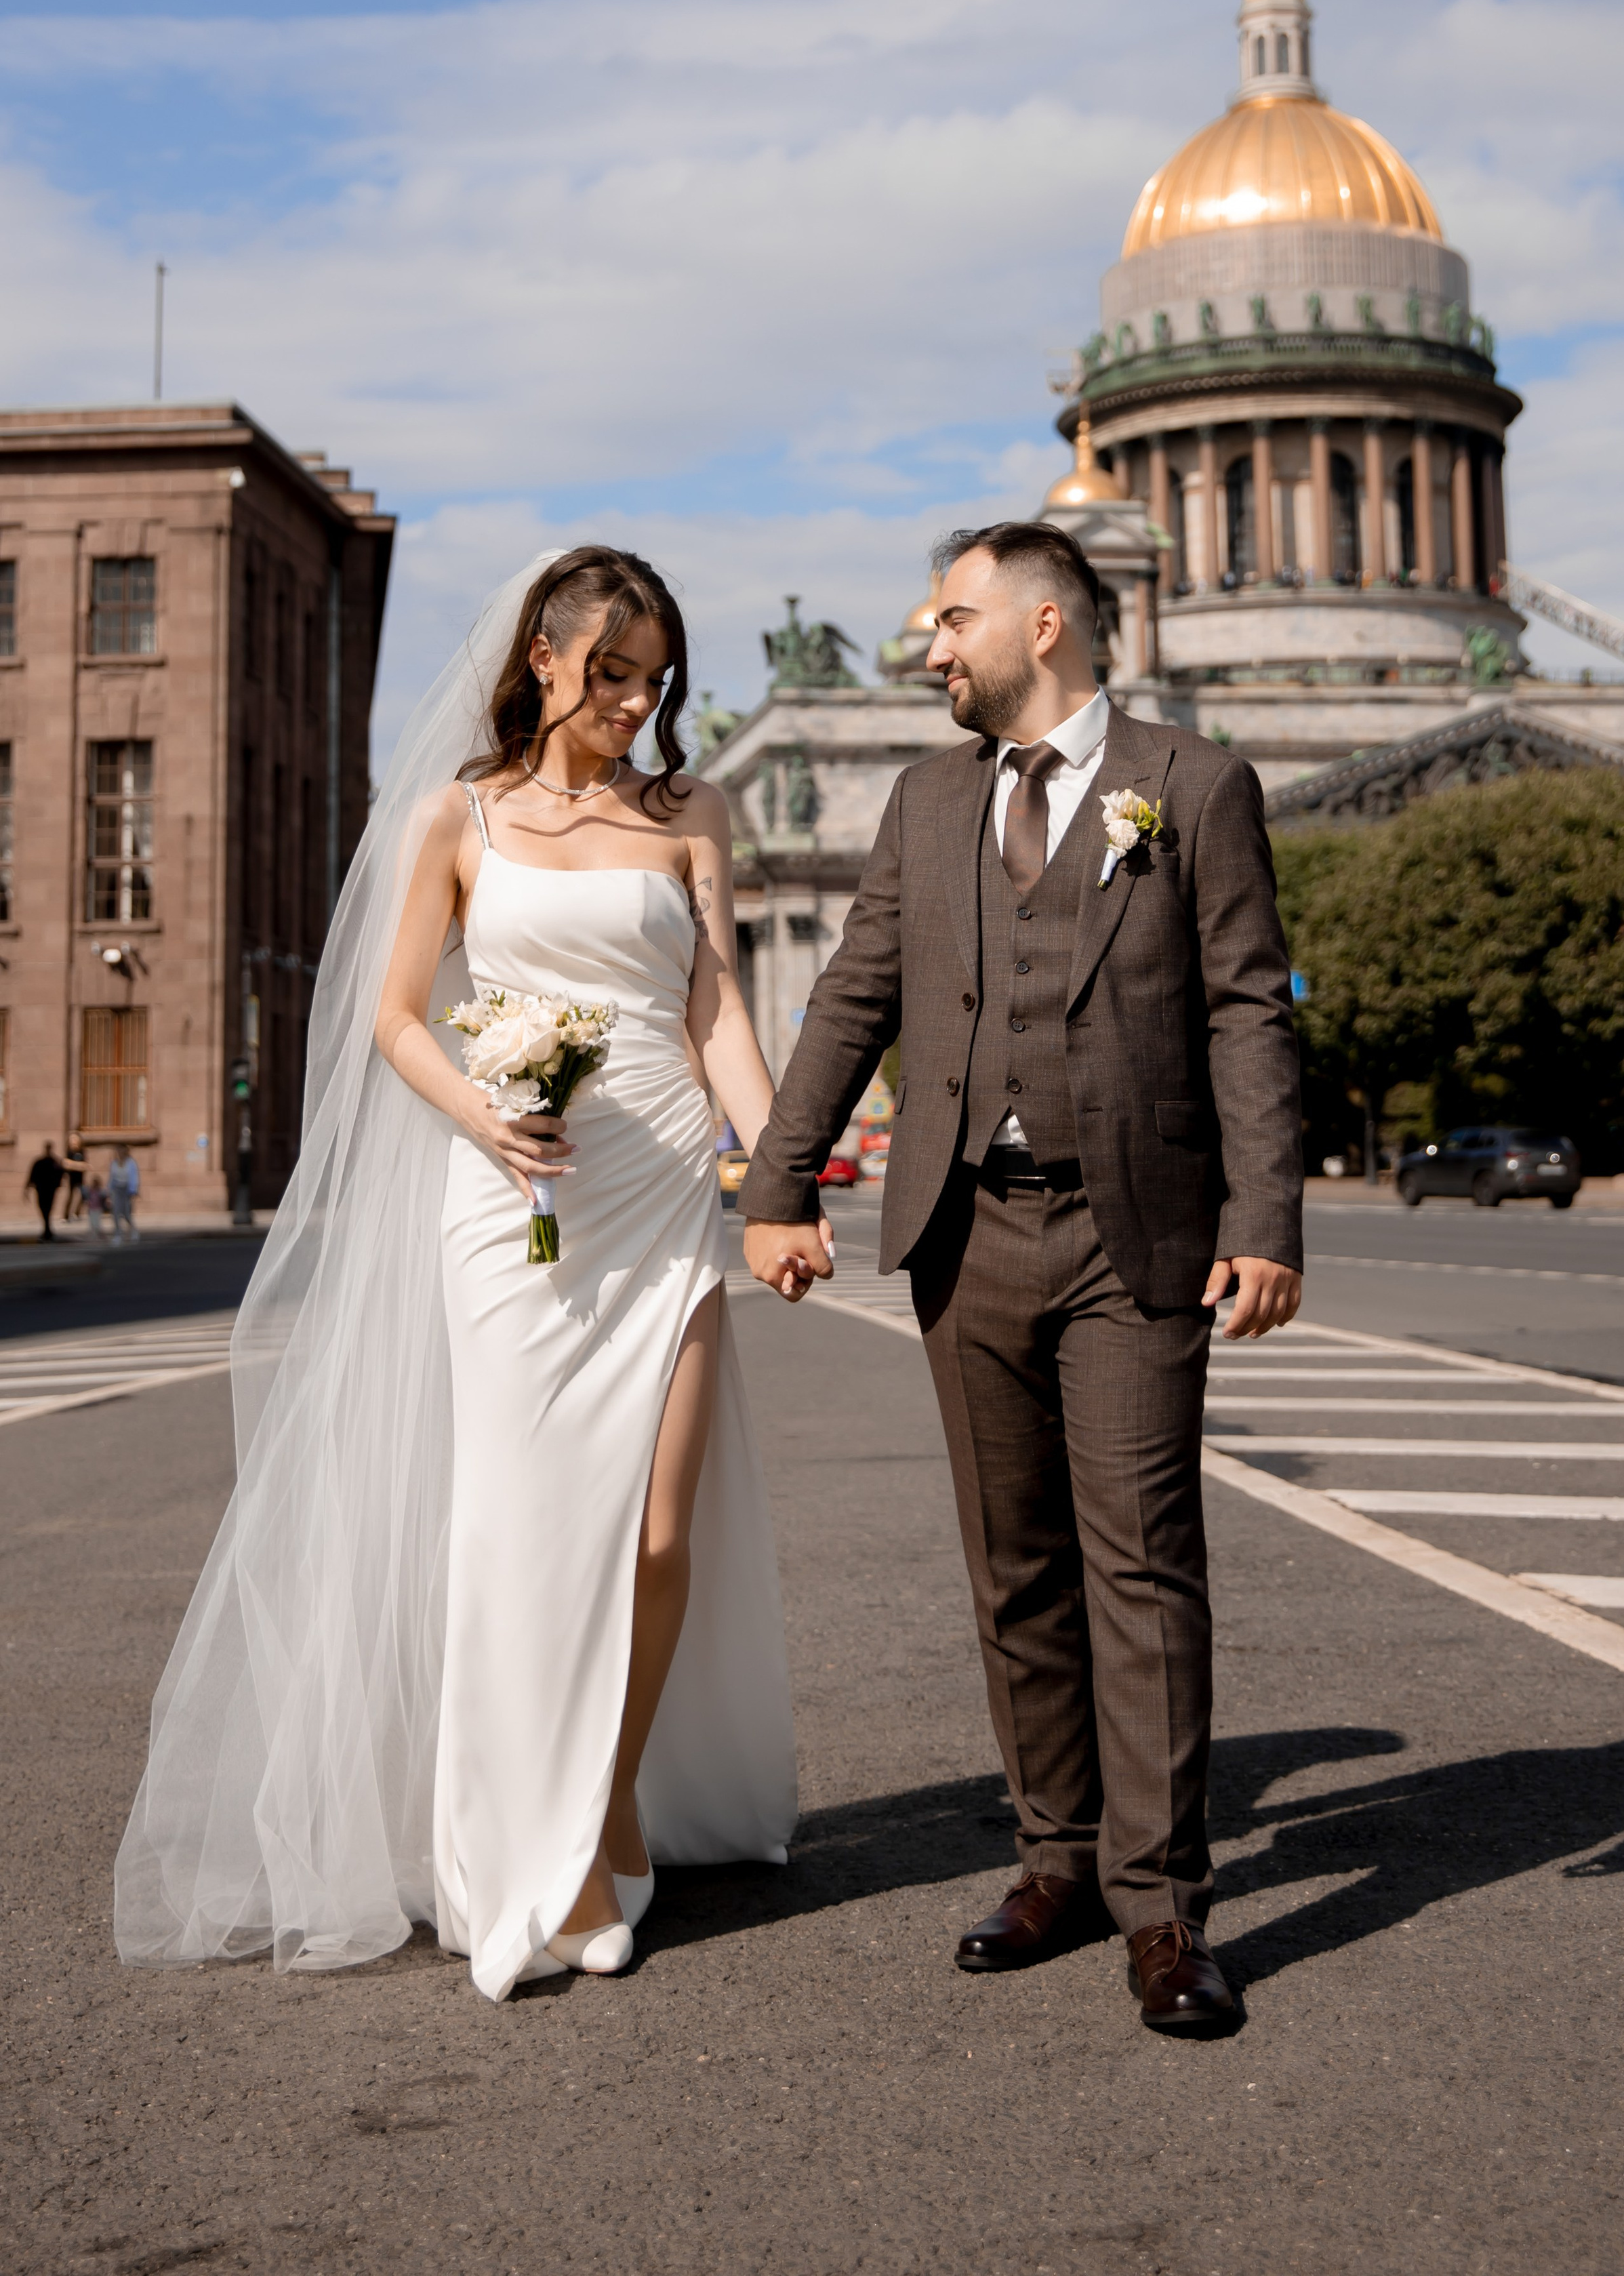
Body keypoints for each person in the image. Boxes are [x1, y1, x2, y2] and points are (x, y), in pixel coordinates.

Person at [115, 550, 796, 2002]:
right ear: (542, 660)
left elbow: (715, 1004)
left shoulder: (690, 813)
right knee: (516, 1534)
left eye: (653, 679)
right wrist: (483, 1111)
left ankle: (607, 1809)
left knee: (659, 1535)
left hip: (662, 1194)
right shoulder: (458, 816)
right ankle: (511, 1855)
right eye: (609, 673)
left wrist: (776, 1170)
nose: (632, 703)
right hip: (512, 1202)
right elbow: (394, 1014)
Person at [742, 521, 1304, 2039]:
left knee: (1140, 1565)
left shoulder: (1191, 787)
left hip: (1135, 1235)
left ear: (1041, 623)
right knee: (1015, 1568)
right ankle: (1051, 1861)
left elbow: (1246, 1012)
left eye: (952, 619)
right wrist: (776, 1178)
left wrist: (1264, 1217)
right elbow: (854, 993)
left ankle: (1163, 1910)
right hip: (960, 1230)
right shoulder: (925, 801)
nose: (930, 646)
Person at [24, 1141, 62, 1241]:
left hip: (50, 1189)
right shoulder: (40, 1162)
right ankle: (48, 1231)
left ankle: (47, 1231)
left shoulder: (55, 1162)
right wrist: (27, 1188)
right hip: (41, 1189)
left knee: (48, 1209)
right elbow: (32, 1175)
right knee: (43, 1209)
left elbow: (60, 1174)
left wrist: (57, 1184)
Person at [106, 1144, 141, 1242]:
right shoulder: (114, 1164)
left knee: (126, 1213)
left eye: (121, 1152)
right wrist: (109, 1192)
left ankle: (134, 1230)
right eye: (118, 1152)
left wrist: (133, 1191)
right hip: (116, 1189)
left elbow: (135, 1177)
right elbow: (111, 1178)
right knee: (116, 1213)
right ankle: (118, 1235)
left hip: (127, 1189)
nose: (119, 1154)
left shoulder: (131, 1163)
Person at [62, 1131, 87, 1224]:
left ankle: (77, 1213)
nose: (74, 1141)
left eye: (76, 1139)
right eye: (72, 1139)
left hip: (80, 1178)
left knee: (83, 1196)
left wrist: (74, 1165)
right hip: (72, 1178)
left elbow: (85, 1165)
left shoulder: (82, 1152)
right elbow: (66, 1164)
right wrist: (78, 1165)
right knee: (70, 1196)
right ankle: (65, 1215)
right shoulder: (69, 1152)